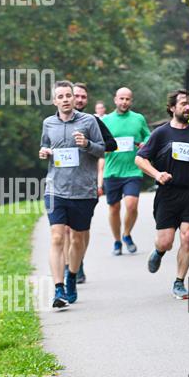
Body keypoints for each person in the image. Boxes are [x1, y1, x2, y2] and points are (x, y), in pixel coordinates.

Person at [136, 90, 189, 299]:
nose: (188, 107)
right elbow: (140, 159)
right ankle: (159, 251)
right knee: (166, 241)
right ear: (171, 108)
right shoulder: (161, 133)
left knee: (187, 237)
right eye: (183, 103)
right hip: (168, 194)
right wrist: (157, 174)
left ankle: (179, 281)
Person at [39, 80, 104, 308]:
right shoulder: (48, 123)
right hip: (55, 189)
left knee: (77, 239)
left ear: (74, 98)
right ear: (54, 101)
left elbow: (102, 149)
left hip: (83, 191)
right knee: (57, 237)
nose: (66, 100)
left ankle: (72, 276)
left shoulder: (89, 121)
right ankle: (58, 289)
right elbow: (45, 146)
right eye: (61, 96)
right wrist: (44, 152)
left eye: (68, 95)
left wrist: (86, 144)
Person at [60, 83, 117, 285]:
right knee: (65, 229)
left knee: (80, 230)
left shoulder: (92, 121)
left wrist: (88, 144)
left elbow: (111, 144)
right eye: (76, 95)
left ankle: (78, 261)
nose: (80, 100)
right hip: (63, 183)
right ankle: (68, 266)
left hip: (86, 183)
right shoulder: (57, 120)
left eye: (83, 97)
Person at [100, 87, 151, 255]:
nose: (124, 102)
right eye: (121, 98)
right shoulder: (106, 120)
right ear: (115, 100)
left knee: (131, 205)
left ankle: (127, 234)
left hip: (133, 170)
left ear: (131, 101)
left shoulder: (138, 118)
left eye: (127, 99)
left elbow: (148, 136)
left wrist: (144, 143)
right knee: (114, 208)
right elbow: (99, 141)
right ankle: (117, 241)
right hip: (112, 171)